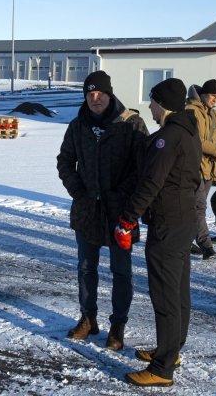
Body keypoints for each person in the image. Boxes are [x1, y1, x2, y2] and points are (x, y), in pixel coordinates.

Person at [117, 78, 202, 388]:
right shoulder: (188, 131)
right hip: (184, 218)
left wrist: (127, 219)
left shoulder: (168, 137)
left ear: (162, 104)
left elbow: (151, 183)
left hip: (168, 222)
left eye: (152, 101)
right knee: (178, 291)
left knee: (165, 295)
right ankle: (171, 350)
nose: (149, 106)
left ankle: (162, 369)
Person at [57, 70, 148, 351]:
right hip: (87, 210)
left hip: (121, 212)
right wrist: (78, 192)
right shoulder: (78, 125)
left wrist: (122, 195)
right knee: (86, 268)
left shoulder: (131, 124)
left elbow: (143, 167)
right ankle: (88, 318)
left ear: (110, 94)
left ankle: (118, 325)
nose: (95, 98)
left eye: (100, 93)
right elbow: (65, 161)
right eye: (90, 93)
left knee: (121, 271)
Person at [185, 79, 216, 260]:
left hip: (209, 169)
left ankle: (184, 241)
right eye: (213, 95)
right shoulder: (191, 111)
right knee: (199, 207)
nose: (215, 100)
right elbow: (196, 139)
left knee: (193, 208)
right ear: (204, 94)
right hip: (194, 167)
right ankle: (207, 247)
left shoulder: (215, 115)